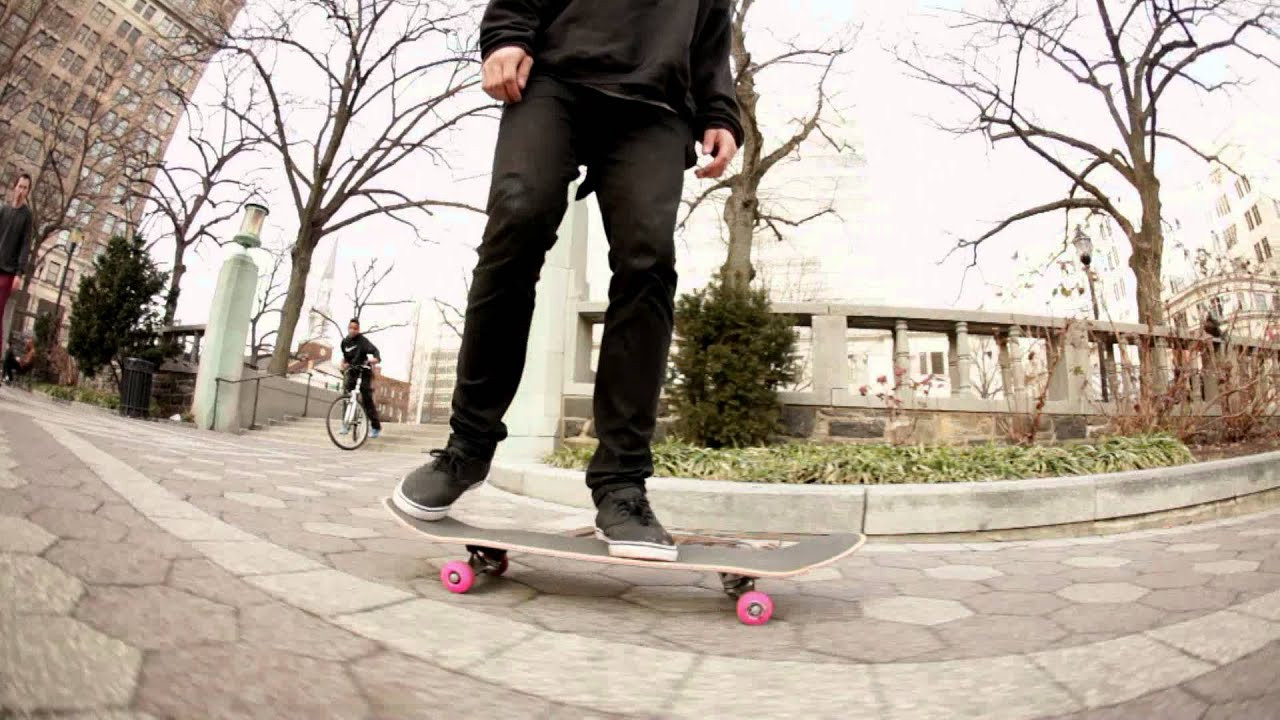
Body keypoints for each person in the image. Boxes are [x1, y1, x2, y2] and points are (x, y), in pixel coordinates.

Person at [393, 0, 742, 562]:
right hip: (556, 76)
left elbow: (711, 32)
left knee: (648, 262)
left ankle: (622, 483)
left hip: (657, 101)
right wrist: (508, 34)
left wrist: (721, 112)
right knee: (518, 222)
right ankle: (467, 446)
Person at [0, 173, 34, 358]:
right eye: (19, 186)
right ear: (15, 187)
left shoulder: (27, 215)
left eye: (25, 188)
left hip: (8, 272)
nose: (21, 190)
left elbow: (25, 245)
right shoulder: (4, 210)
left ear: (28, 191)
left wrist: (19, 274)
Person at [339, 318, 382, 438]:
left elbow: (375, 351)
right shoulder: (345, 342)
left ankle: (375, 427)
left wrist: (374, 359)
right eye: (350, 328)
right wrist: (344, 364)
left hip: (364, 372)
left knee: (367, 399)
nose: (352, 330)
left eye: (355, 328)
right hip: (352, 371)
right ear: (348, 328)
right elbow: (346, 357)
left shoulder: (363, 341)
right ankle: (346, 423)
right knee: (348, 397)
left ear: (358, 330)